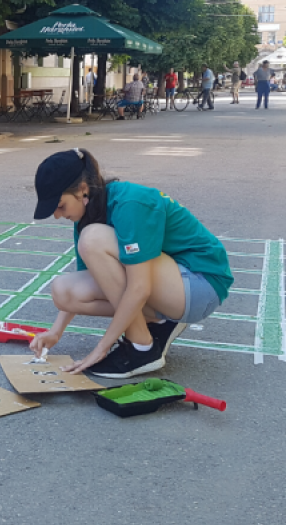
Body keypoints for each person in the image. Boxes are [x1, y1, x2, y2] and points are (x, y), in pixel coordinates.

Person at [27, 149, 234, 377]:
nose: (57, 215)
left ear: (82, 190)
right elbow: (100, 281)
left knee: (93, 239)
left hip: (201, 283)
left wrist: (101, 348)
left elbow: (139, 288)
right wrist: (56, 332)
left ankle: (142, 348)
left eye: (60, 206)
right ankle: (159, 321)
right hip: (172, 282)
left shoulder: (130, 203)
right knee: (64, 292)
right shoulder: (87, 214)